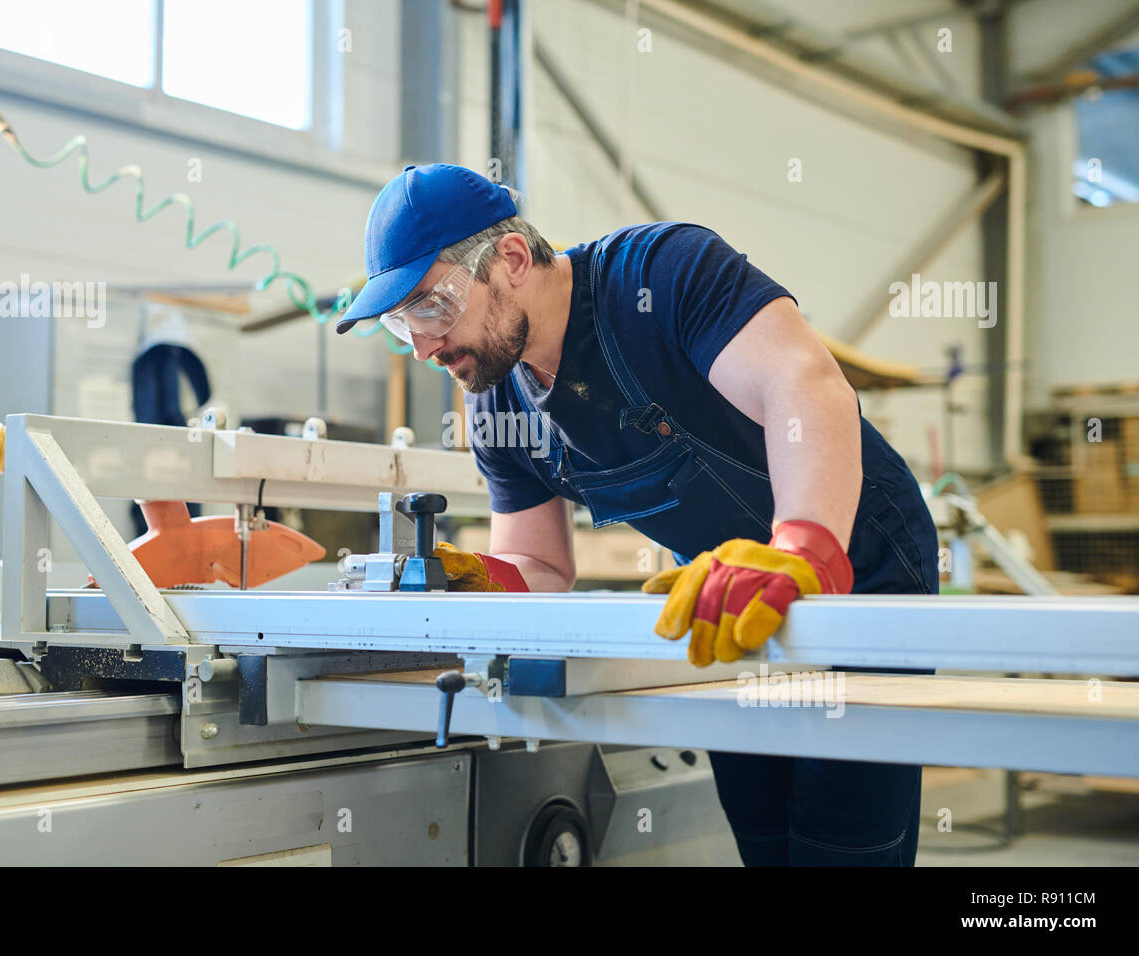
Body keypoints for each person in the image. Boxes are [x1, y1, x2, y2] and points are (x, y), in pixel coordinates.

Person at [336, 163, 938, 866]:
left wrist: (804, 550)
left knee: (844, 842)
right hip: (723, 599)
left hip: (855, 561)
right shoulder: (496, 401)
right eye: (401, 321)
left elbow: (805, 388)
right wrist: (481, 581)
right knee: (765, 834)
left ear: (511, 258)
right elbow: (543, 565)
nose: (424, 345)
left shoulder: (663, 275)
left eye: (432, 307)